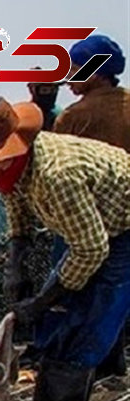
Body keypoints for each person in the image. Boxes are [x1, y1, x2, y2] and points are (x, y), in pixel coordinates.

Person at [0, 96, 130, 401]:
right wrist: (15, 262)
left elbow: (93, 250)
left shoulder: (56, 176)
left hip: (121, 230)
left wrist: (43, 300)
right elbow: (17, 206)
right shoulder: (15, 170)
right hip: (87, 226)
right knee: (59, 321)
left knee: (84, 324)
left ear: (14, 150)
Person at [49, 35, 129, 379]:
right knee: (113, 301)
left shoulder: (73, 118)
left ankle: (69, 379)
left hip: (82, 221)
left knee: (73, 298)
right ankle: (110, 362)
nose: (68, 76)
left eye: (76, 68)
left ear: (97, 72)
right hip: (126, 222)